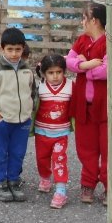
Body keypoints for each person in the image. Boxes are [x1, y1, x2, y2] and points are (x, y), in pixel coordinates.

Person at [0, 27, 38, 202]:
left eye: (18, 50)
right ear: (2, 49)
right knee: (1, 152)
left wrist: (30, 110)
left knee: (18, 152)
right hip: (3, 120)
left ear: (23, 48)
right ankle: (0, 184)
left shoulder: (27, 69)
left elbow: (32, 91)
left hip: (23, 121)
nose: (14, 54)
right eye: (10, 49)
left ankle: (13, 181)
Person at [67, 2, 108, 205]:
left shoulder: (109, 41)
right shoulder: (82, 40)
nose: (82, 22)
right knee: (86, 147)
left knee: (108, 147)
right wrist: (87, 64)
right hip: (83, 105)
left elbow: (108, 69)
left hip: (105, 106)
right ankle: (88, 184)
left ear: (95, 20)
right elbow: (69, 61)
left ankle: (110, 186)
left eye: (85, 18)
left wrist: (83, 69)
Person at [33, 53, 73, 209]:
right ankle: (45, 178)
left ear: (64, 71)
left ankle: (61, 191)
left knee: (59, 160)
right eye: (51, 72)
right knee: (42, 159)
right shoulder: (40, 88)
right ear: (43, 73)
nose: (55, 76)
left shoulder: (71, 86)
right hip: (41, 132)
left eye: (59, 72)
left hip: (61, 133)